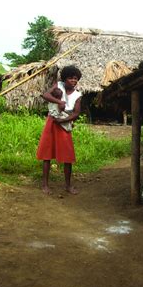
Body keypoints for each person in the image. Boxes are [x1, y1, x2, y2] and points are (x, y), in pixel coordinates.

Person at [36, 65, 82, 195]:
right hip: (52, 122)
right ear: (65, 79)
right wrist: (59, 101)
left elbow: (76, 113)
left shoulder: (78, 95)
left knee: (68, 155)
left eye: (76, 79)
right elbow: (45, 95)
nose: (73, 81)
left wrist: (63, 120)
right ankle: (45, 184)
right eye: (70, 78)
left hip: (64, 123)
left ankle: (68, 185)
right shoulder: (59, 86)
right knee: (47, 153)